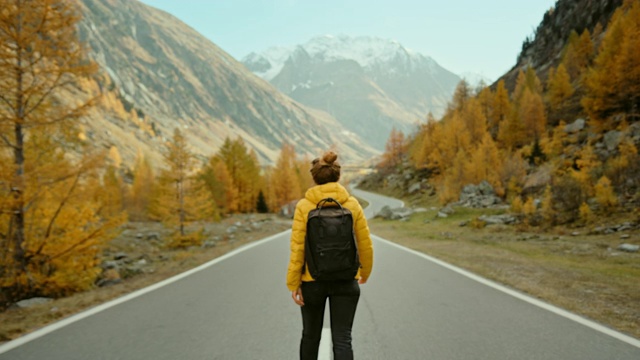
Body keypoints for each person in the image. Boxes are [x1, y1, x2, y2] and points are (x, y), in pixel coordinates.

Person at [286, 151, 374, 360]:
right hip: (346, 280)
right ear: (338, 177)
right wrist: (365, 272)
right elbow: (365, 244)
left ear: (314, 178)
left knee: (310, 336)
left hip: (312, 281)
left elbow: (298, 247)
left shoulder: (304, 206)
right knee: (343, 338)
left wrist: (293, 283)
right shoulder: (352, 205)